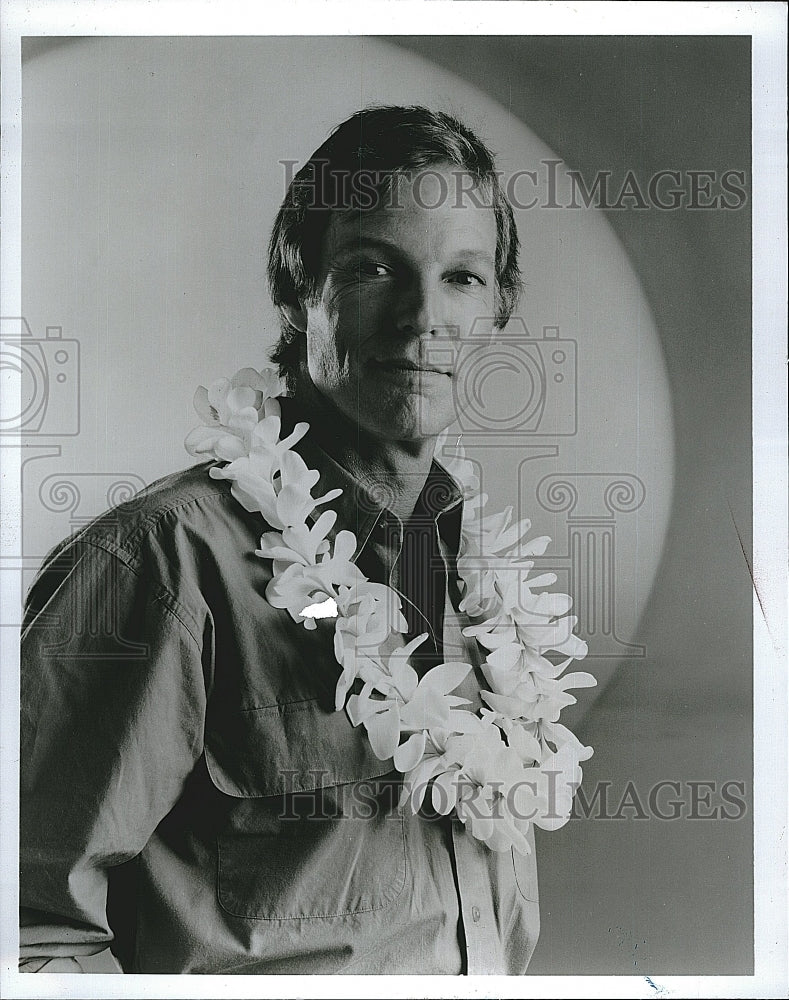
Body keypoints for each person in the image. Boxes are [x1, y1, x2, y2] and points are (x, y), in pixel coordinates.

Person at [20, 105, 590, 975]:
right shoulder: (158, 565)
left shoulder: (486, 584)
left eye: (463, 278)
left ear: (499, 309)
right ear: (297, 293)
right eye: (372, 268)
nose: (421, 318)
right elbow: (26, 934)